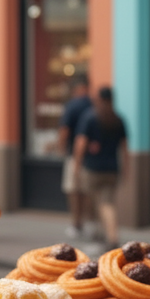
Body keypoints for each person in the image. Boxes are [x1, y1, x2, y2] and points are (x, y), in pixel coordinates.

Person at [72, 86, 128, 250]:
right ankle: (104, 234)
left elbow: (81, 143)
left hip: (93, 169)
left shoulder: (90, 118)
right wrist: (126, 169)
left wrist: (76, 165)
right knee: (106, 202)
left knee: (101, 204)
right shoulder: (118, 119)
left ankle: (110, 237)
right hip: (112, 169)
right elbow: (125, 147)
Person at [57, 74, 92, 238]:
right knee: (86, 192)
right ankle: (87, 222)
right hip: (92, 157)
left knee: (73, 191)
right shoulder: (94, 105)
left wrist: (61, 147)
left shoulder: (72, 106)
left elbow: (65, 130)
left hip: (75, 154)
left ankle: (77, 224)